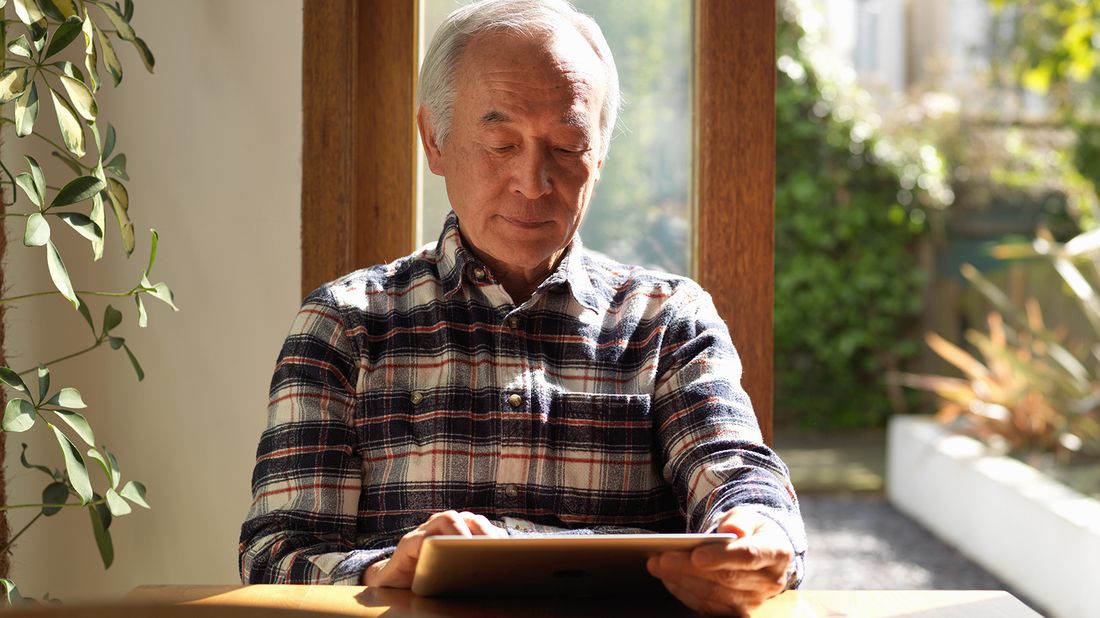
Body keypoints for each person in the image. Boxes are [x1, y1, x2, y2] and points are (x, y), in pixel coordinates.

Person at [240, 0, 806, 614]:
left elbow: (740, 478)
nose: (533, 182)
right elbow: (277, 551)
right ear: (435, 141)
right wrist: (387, 567)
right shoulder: (346, 324)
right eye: (502, 142)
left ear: (600, 153)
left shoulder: (668, 321)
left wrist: (761, 539)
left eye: (567, 146)